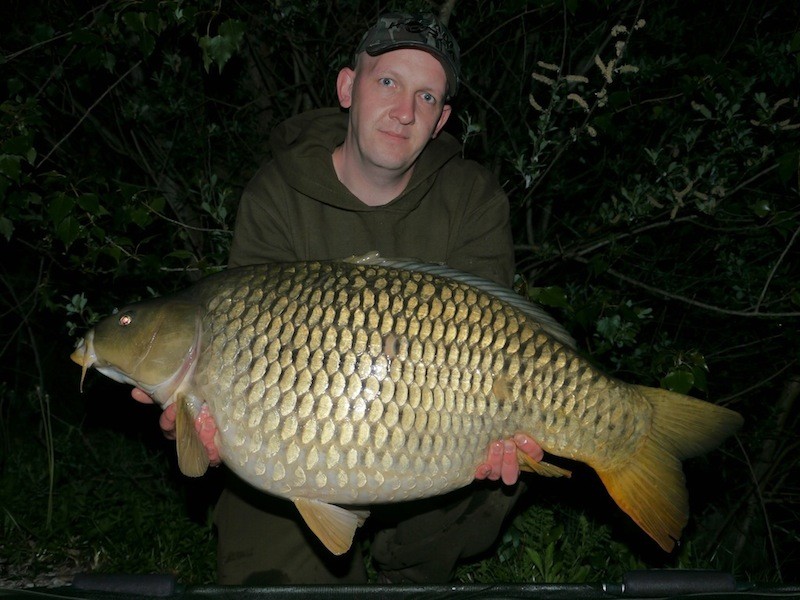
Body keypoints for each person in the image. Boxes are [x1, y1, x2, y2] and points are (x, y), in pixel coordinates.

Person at [133, 12, 544, 585]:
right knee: (265, 536)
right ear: (348, 87)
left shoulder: (472, 198)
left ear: (443, 118)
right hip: (299, 444)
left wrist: (505, 427)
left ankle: (414, 574)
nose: (405, 110)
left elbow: (495, 334)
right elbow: (244, 348)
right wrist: (207, 424)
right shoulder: (277, 194)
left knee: (496, 473)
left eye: (426, 96)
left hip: (433, 437)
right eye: (388, 82)